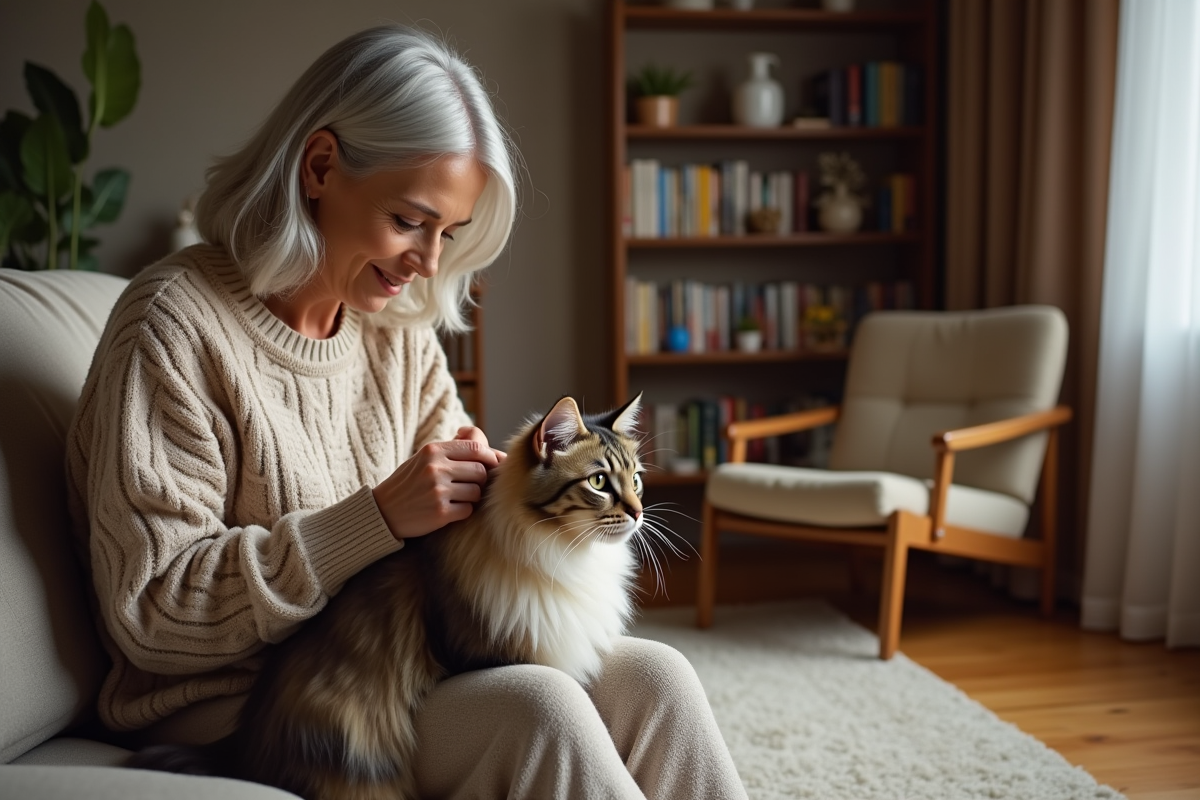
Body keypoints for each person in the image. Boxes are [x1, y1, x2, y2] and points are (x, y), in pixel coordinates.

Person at [65, 24, 747, 800]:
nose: (429, 263)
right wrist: (374, 519)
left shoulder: (396, 330)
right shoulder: (174, 324)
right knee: (542, 709)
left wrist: (496, 497)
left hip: (404, 663)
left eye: (449, 232)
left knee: (659, 673)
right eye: (410, 221)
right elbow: (154, 611)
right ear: (319, 167)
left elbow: (458, 523)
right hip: (251, 710)